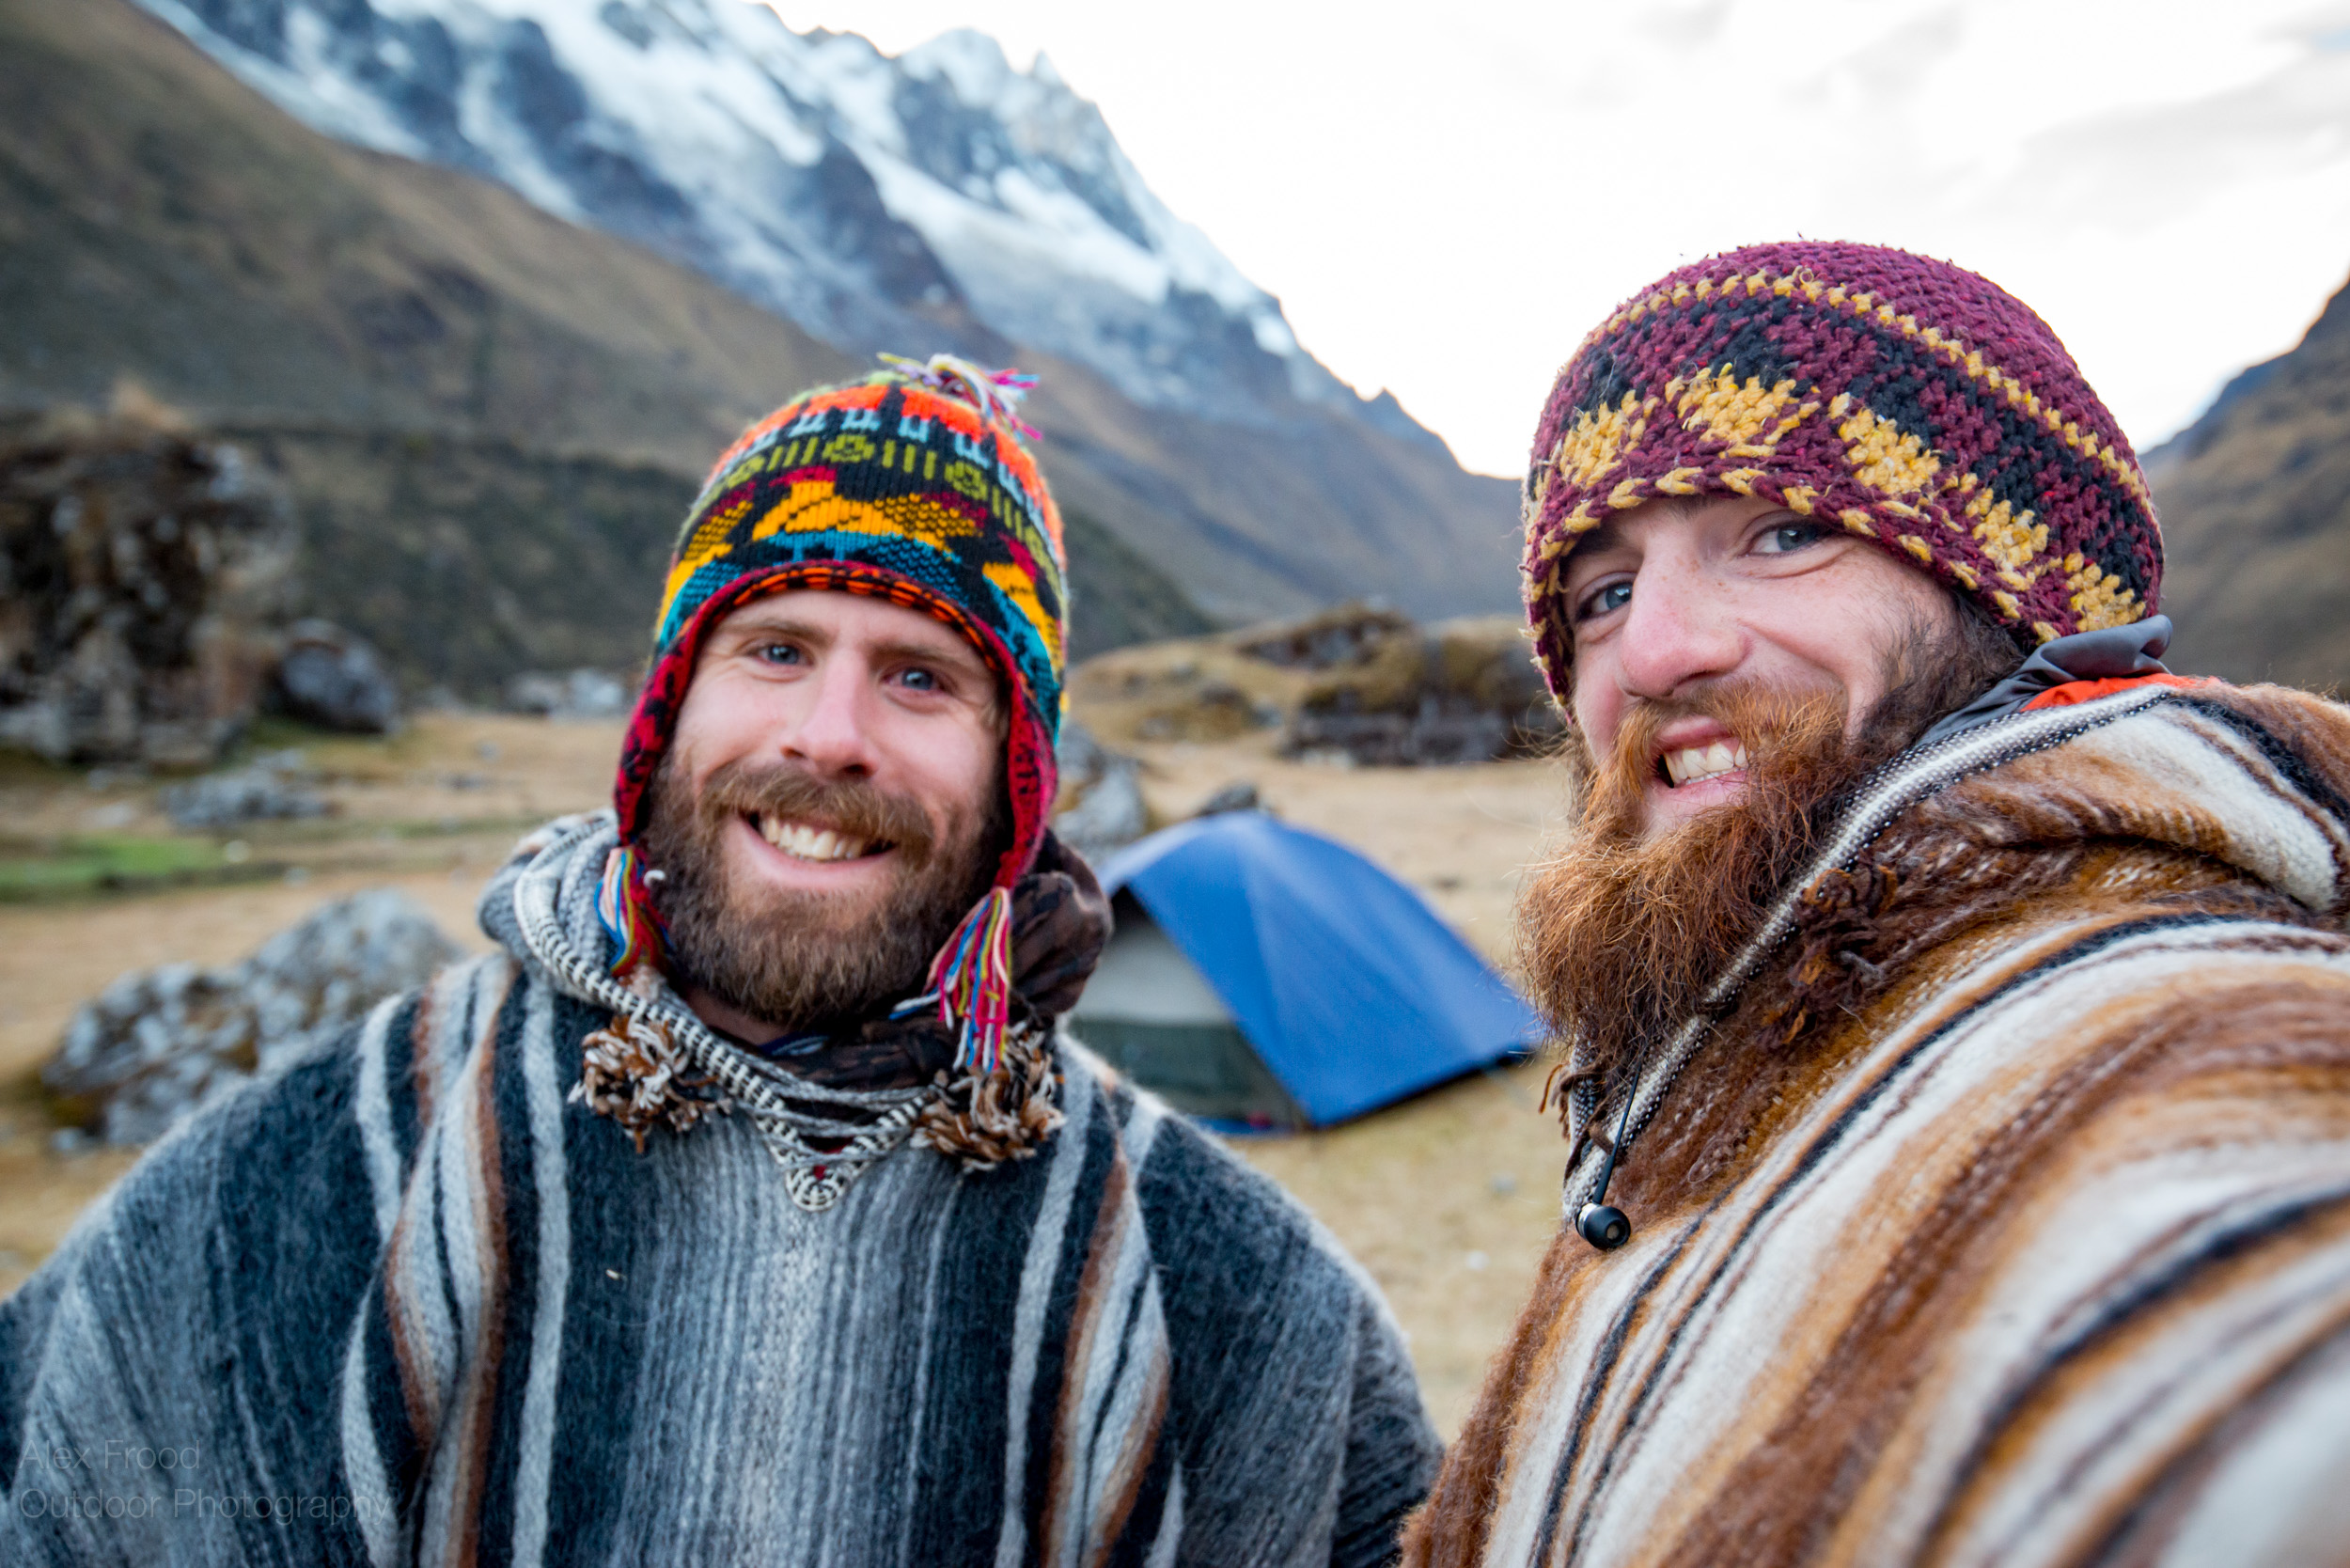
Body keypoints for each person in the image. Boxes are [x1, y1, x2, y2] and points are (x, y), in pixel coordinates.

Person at [1, 356, 1440, 1564]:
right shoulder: (328, 1168)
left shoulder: (1220, 1290)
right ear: (664, 719)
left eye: (923, 675)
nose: (830, 735)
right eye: (774, 647)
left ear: (1020, 775)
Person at [1403, 243, 2350, 1567]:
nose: (1661, 651)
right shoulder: (1717, 1053)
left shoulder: (2180, 1040)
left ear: (2020, 591)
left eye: (1782, 533)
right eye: (1603, 594)